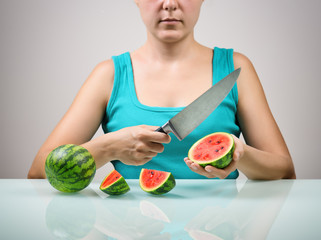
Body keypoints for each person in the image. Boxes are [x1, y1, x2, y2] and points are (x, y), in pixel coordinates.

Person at [28, 0, 296, 180]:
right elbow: (39, 173)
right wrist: (106, 147)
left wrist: (242, 155)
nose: (169, 4)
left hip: (216, 229)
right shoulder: (109, 75)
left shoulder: (236, 68)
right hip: (130, 228)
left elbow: (285, 171)